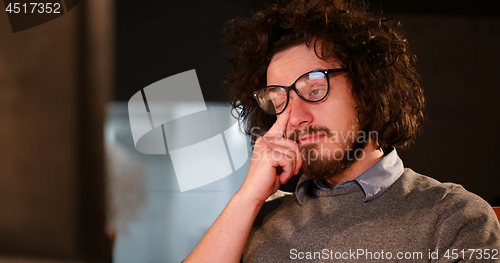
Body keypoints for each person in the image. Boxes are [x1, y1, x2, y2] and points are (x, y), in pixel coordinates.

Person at [185, 0, 500, 262]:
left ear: (367, 88)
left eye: (315, 87)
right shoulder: (253, 220)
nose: (295, 118)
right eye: (279, 99)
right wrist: (247, 199)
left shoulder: (453, 217)